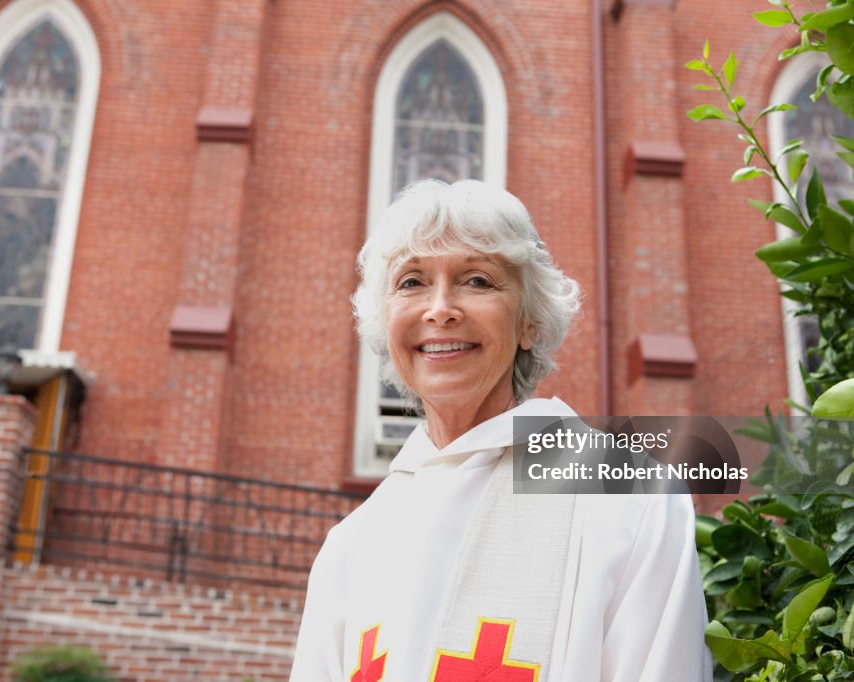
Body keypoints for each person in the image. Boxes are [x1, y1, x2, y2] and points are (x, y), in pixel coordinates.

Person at [289, 180, 712, 681]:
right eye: (411, 282)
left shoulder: (631, 498)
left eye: (477, 281)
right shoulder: (350, 547)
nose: (440, 309)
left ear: (530, 321)